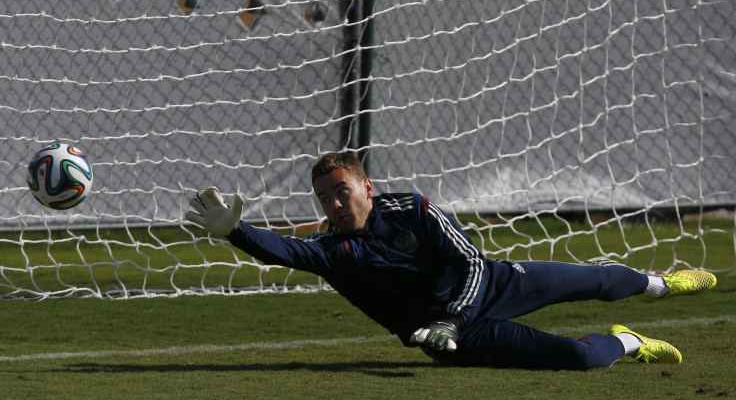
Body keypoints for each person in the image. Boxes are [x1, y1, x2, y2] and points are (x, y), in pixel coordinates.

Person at [185, 152, 717, 370]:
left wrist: (450, 317)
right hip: (455, 340)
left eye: (341, 191)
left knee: (597, 279)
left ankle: (661, 284)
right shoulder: (335, 252)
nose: (333, 203)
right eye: (323, 197)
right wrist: (237, 233)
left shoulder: (414, 209)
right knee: (579, 360)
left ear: (367, 187)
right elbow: (288, 250)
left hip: (488, 289)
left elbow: (472, 264)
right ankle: (630, 341)